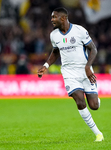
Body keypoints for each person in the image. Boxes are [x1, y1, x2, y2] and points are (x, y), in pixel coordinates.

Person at [37, 7, 104, 142]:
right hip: (69, 72)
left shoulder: (79, 31)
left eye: (54, 17)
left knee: (94, 106)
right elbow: (56, 52)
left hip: (85, 70)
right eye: (51, 17)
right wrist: (46, 66)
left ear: (63, 18)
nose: (52, 20)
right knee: (79, 100)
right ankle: (98, 134)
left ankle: (96, 98)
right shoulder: (54, 35)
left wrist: (87, 67)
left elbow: (93, 49)